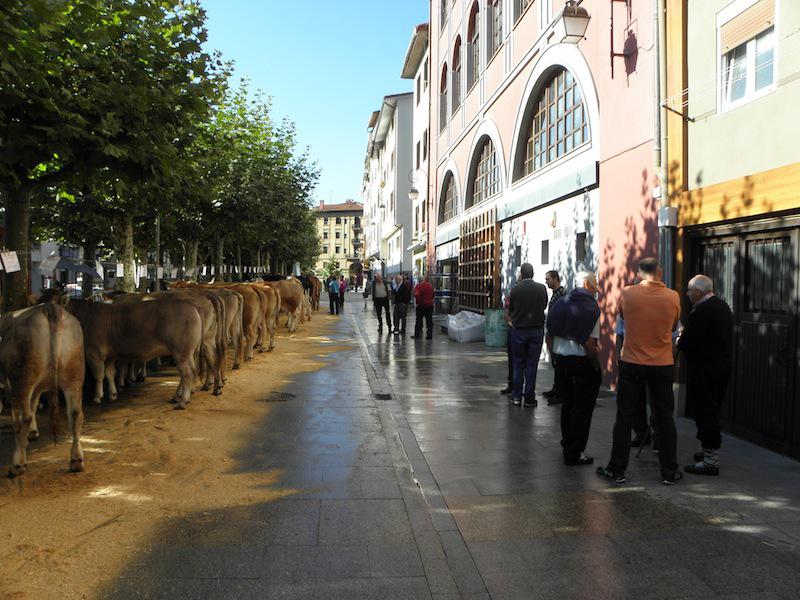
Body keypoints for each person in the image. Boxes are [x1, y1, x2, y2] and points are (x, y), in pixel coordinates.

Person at [597, 257, 682, 485]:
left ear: (639, 274)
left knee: (624, 416)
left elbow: (623, 317)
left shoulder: (627, 294)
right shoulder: (673, 296)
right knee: (665, 417)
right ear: (660, 272)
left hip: (632, 362)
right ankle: (669, 471)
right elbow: (673, 327)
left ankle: (617, 469)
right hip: (662, 364)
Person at [678, 274, 733, 476]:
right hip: (720, 368)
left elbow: (687, 343)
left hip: (705, 370)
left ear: (698, 292)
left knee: (704, 411)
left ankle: (711, 461)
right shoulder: (722, 306)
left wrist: (679, 339)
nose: (687, 294)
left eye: (689, 290)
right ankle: (705, 451)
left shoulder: (701, 311)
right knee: (712, 407)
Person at [546, 271, 602, 466]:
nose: (597, 290)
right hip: (581, 363)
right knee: (582, 409)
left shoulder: (561, 302)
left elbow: (550, 334)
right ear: (587, 284)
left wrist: (554, 358)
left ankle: (567, 444)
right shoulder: (591, 308)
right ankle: (575, 452)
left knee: (567, 405)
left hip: (562, 361)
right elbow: (588, 341)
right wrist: (596, 364)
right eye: (595, 285)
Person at [506, 263, 548, 407]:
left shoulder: (515, 290)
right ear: (533, 273)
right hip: (536, 331)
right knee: (531, 365)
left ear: (522, 274)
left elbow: (511, 309)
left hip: (519, 330)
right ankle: (529, 397)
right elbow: (544, 305)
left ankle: (516, 396)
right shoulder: (542, 288)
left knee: (518, 364)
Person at [543, 270, 567, 406]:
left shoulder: (562, 295)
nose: (546, 281)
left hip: (557, 335)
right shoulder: (556, 294)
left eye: (548, 279)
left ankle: (560, 393)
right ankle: (556, 388)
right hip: (552, 333)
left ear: (555, 279)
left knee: (559, 364)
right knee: (555, 363)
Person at [500, 293, 514, 394]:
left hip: (515, 331)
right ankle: (527, 391)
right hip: (530, 330)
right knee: (528, 364)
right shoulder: (538, 292)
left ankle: (512, 385)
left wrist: (513, 325)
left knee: (513, 361)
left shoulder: (512, 295)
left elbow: (506, 314)